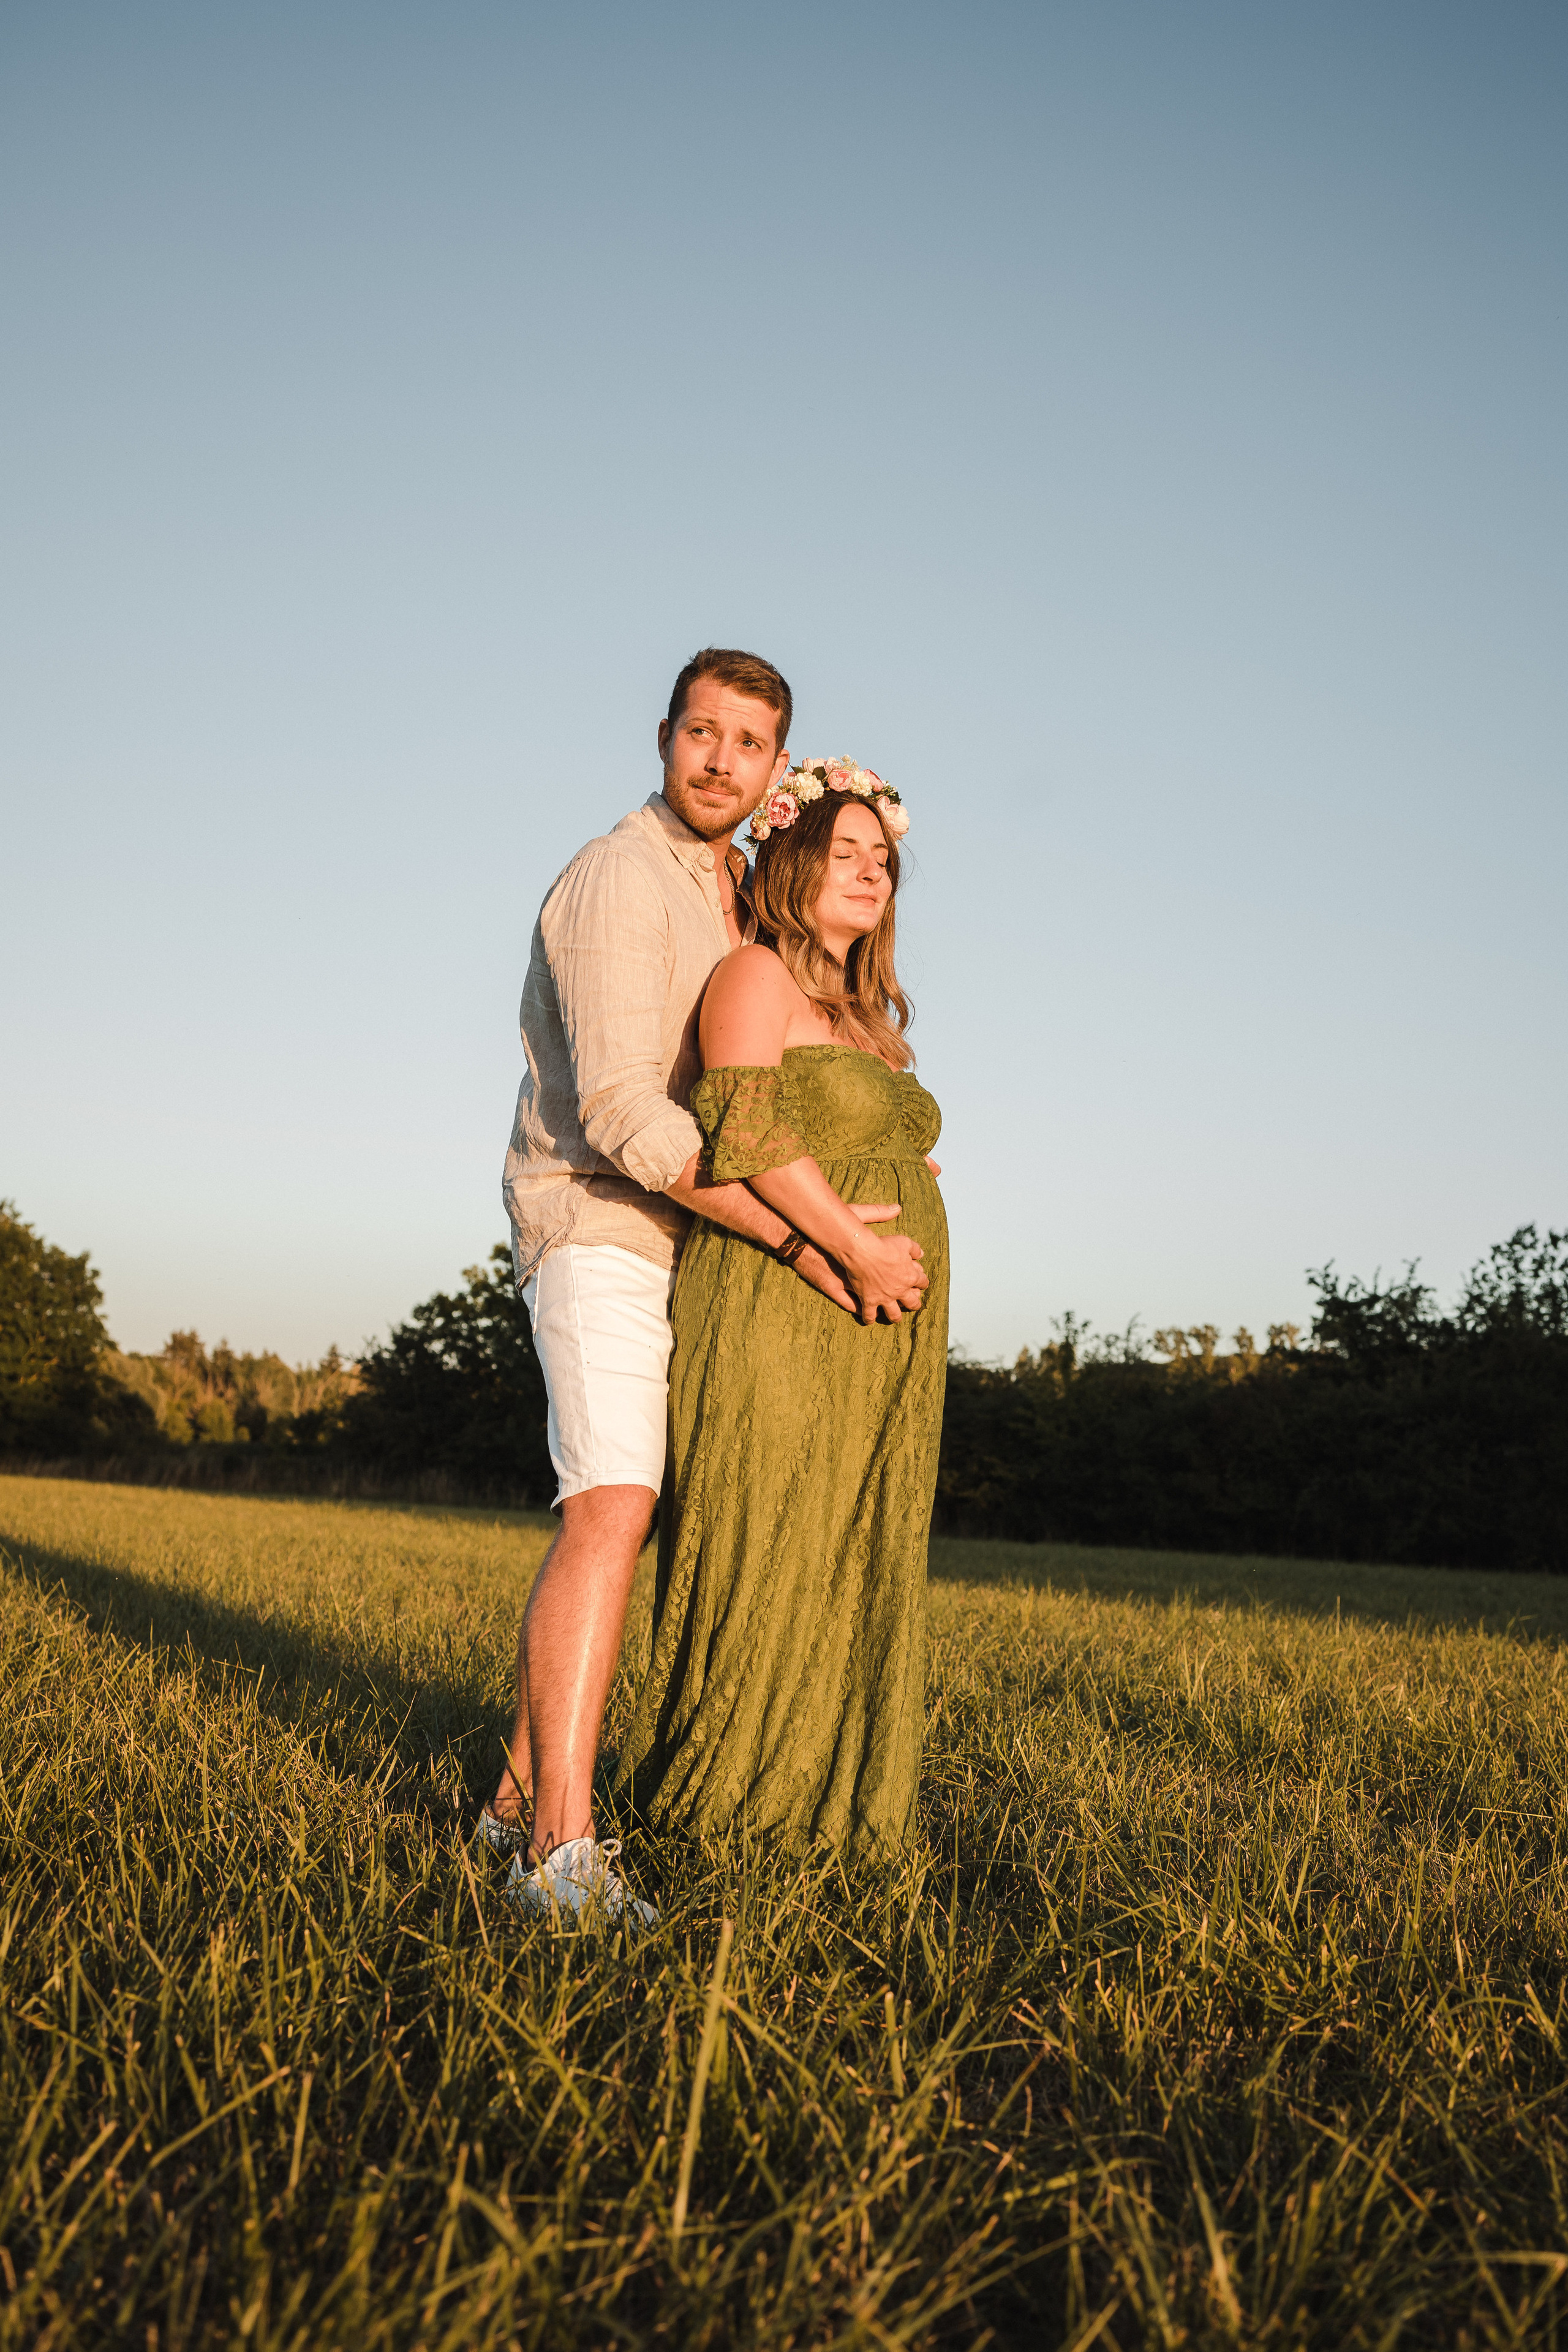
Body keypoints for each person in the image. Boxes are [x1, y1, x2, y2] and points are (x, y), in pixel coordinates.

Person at [490, 652, 929, 1925]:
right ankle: (555, 1856)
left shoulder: (736, 894)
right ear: (667, 737)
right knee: (610, 1509)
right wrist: (817, 1240)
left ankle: (508, 1804)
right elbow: (629, 1119)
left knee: (655, 1520)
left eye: (749, 742)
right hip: (602, 1228)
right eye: (702, 732)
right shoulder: (618, 877)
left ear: (770, 766)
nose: (721, 760)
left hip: (698, 1245)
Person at [614, 758, 948, 1855]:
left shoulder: (867, 1013)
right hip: (784, 1297)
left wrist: (898, 1170)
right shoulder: (754, 976)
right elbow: (745, 1134)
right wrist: (853, 1245)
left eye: (883, 859)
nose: (870, 873)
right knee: (769, 1535)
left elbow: (834, 1129)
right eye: (845, 852)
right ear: (792, 859)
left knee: (853, 1542)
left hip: (876, 1323)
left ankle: (825, 1806)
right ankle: (716, 1809)